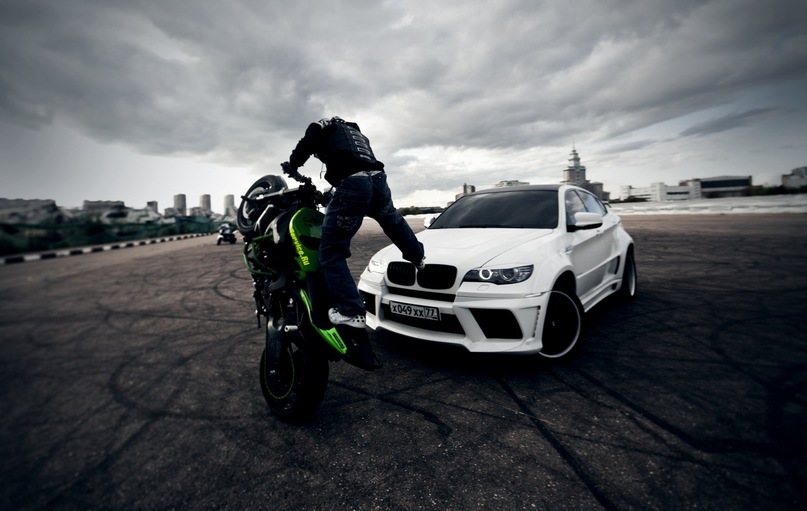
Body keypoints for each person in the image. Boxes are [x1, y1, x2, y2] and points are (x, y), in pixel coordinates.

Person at [284, 116, 425, 332]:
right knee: (392, 221)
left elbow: (306, 143)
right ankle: (418, 257)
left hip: (353, 183)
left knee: (331, 252)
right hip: (378, 180)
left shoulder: (321, 126)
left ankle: (351, 312)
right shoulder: (355, 133)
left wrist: (293, 165)